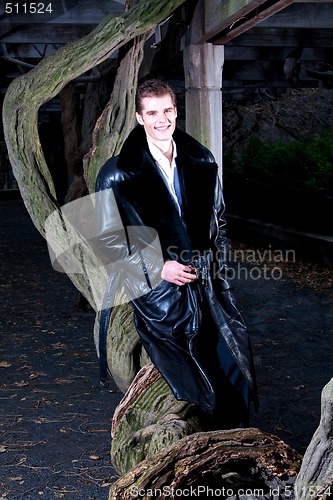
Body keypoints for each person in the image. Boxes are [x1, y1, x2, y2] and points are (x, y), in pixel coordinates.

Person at [95, 79, 257, 428]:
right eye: (152, 112)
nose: (161, 119)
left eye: (167, 110)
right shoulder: (115, 173)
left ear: (175, 110)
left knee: (230, 361)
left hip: (207, 281)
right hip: (161, 294)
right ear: (139, 117)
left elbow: (220, 221)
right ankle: (196, 445)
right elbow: (106, 242)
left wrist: (219, 267)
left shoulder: (201, 159)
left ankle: (235, 440)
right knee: (186, 374)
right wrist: (158, 267)